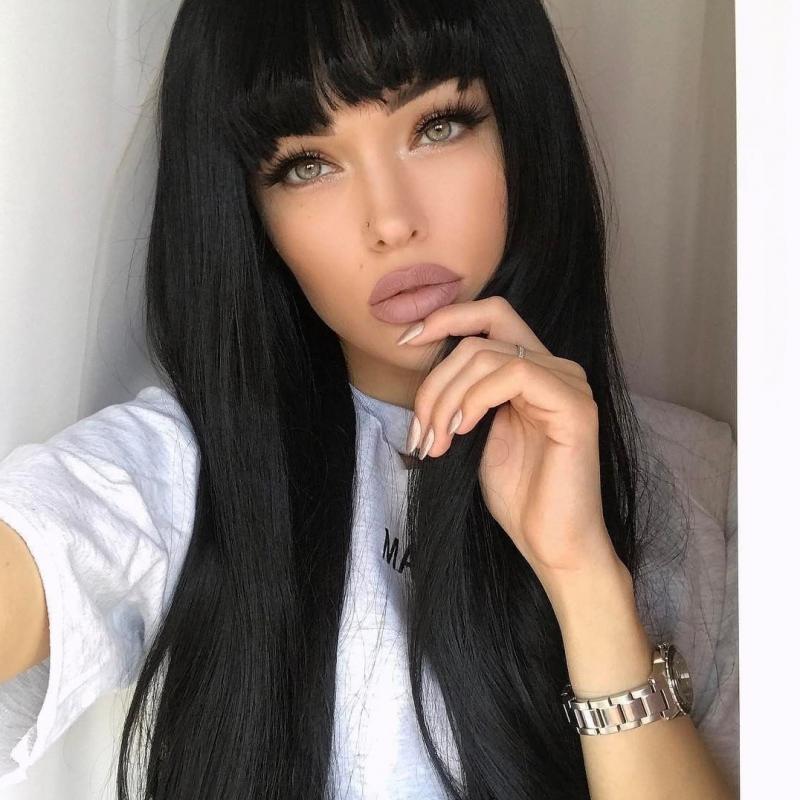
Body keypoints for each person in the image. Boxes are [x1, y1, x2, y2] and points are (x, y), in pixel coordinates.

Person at [0, 0, 738, 798]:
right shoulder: (189, 471)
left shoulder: (698, 483)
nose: (390, 221)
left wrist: (583, 574)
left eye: (439, 126)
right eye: (306, 165)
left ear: (522, 127)